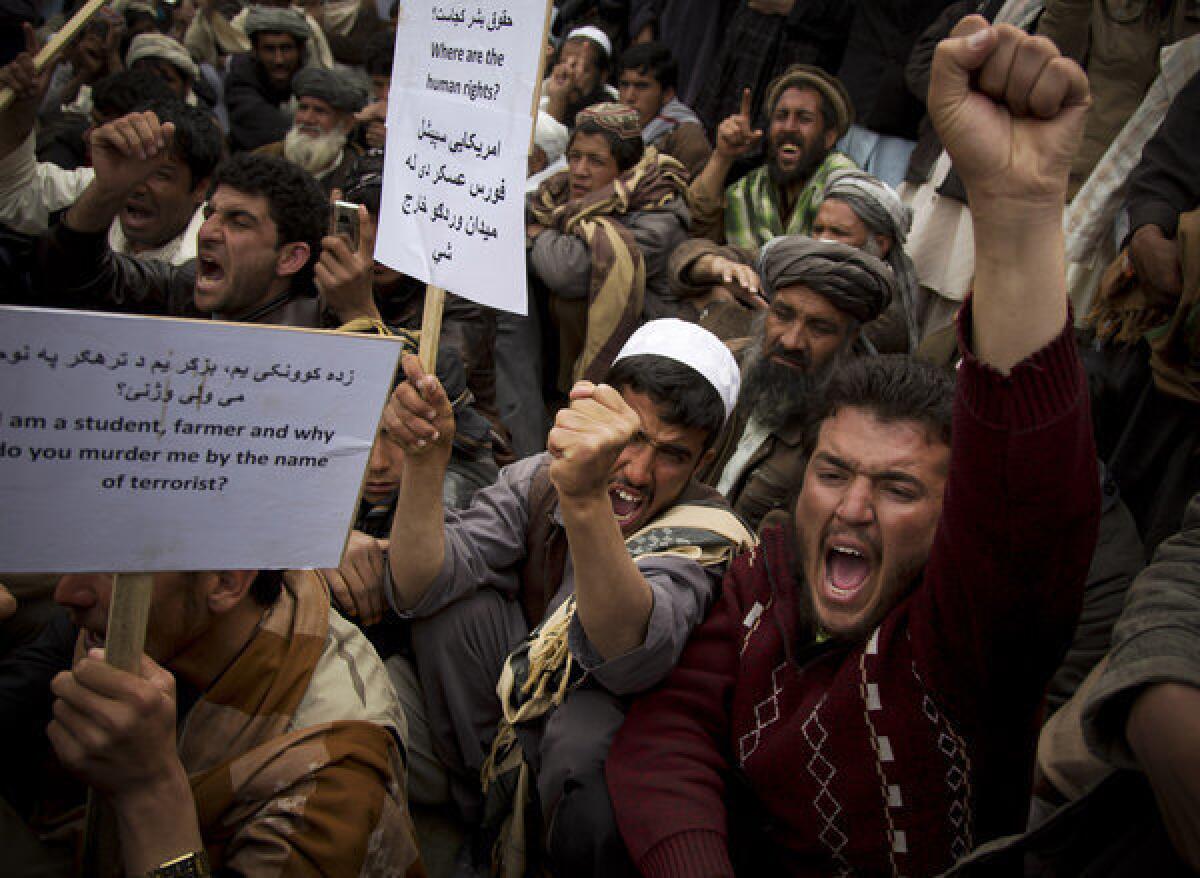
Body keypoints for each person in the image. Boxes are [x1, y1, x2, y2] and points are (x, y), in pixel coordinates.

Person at [607, 18, 1101, 876]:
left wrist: (1018, 213)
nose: (853, 507)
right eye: (833, 473)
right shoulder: (765, 575)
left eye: (900, 489)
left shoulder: (959, 640)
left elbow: (1027, 514)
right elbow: (675, 724)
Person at [378, 318, 754, 874]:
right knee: (453, 614)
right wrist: (426, 461)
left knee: (583, 732)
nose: (638, 470)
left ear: (702, 464)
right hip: (515, 728)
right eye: (629, 438)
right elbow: (418, 585)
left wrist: (586, 504)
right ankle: (488, 812)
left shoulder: (704, 534)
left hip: (607, 754)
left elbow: (629, 657)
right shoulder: (539, 480)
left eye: (671, 454)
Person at [0, 568, 424, 876]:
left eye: (114, 569)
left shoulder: (333, 778)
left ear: (225, 581)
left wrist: (148, 794)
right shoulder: (130, 626)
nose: (67, 591)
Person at [32, 110, 328, 328]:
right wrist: (108, 189)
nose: (208, 232)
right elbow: (72, 273)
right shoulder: (181, 290)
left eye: (239, 221)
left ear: (290, 258)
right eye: (210, 214)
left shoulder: (325, 329)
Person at [696, 237, 895, 533]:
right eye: (783, 315)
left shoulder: (847, 429)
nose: (791, 340)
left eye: (820, 328)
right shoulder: (720, 367)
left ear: (850, 339)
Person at [0, 43, 221, 266]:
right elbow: (16, 196)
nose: (137, 185)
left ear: (200, 188)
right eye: (133, 165)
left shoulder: (212, 258)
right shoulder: (106, 185)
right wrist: (18, 116)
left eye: (160, 174)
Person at [527, 102, 691, 393]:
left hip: (638, 352)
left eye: (595, 161)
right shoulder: (559, 192)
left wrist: (537, 236)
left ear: (624, 167)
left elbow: (568, 271)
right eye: (575, 157)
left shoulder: (660, 212)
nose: (580, 170)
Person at [689, 65, 856, 247]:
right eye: (781, 116)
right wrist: (723, 156)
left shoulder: (846, 187)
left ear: (828, 137)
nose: (789, 127)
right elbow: (695, 226)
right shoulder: (748, 190)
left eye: (804, 118)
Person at [814, 167, 920, 352]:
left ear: (880, 244)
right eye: (818, 229)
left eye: (838, 233)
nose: (822, 241)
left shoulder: (883, 318)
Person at [258, 67, 365, 195]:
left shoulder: (360, 175)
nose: (307, 119)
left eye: (320, 111)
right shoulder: (263, 160)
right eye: (303, 108)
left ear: (346, 124)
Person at [616, 41, 711, 179]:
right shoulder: (611, 126)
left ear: (667, 94)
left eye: (641, 86)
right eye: (624, 85)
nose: (629, 97)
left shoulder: (687, 137)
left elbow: (699, 196)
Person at [223, 6, 311, 152]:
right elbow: (267, 131)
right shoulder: (240, 83)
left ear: (300, 51)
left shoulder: (308, 78)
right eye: (269, 49)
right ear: (255, 52)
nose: (279, 60)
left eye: (286, 48)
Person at [541, 25, 616, 125]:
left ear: (603, 75)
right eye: (564, 63)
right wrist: (557, 99)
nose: (569, 73)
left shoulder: (612, 113)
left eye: (584, 69)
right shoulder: (543, 92)